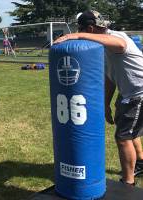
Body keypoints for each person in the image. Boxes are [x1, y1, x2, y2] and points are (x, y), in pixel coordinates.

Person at [54, 10, 143, 186]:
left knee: (123, 137)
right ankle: (140, 162)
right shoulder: (103, 49)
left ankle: (128, 182)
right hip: (127, 94)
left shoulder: (115, 37)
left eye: (82, 29)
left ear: (90, 28)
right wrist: (106, 104)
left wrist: (77, 36)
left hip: (139, 94)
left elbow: (120, 44)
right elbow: (110, 78)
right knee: (129, 130)